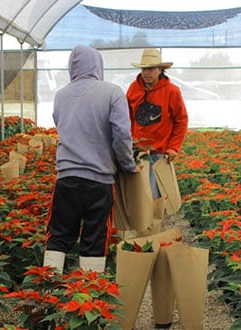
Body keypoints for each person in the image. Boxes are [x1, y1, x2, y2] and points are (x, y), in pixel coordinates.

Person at [43, 45, 139, 274]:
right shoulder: (112, 92)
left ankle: (47, 286)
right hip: (99, 180)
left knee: (58, 234)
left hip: (66, 178)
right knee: (96, 235)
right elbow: (121, 135)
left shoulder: (61, 95)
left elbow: (63, 127)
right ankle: (91, 291)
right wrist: (128, 166)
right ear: (98, 65)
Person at [126, 48, 189, 199]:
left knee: (154, 195)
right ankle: (141, 222)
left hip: (160, 153)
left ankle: (153, 222)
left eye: (151, 69)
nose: (146, 73)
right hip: (137, 151)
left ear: (160, 69)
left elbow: (181, 120)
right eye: (144, 69)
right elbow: (126, 118)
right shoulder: (133, 89)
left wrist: (173, 148)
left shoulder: (171, 91)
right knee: (137, 194)